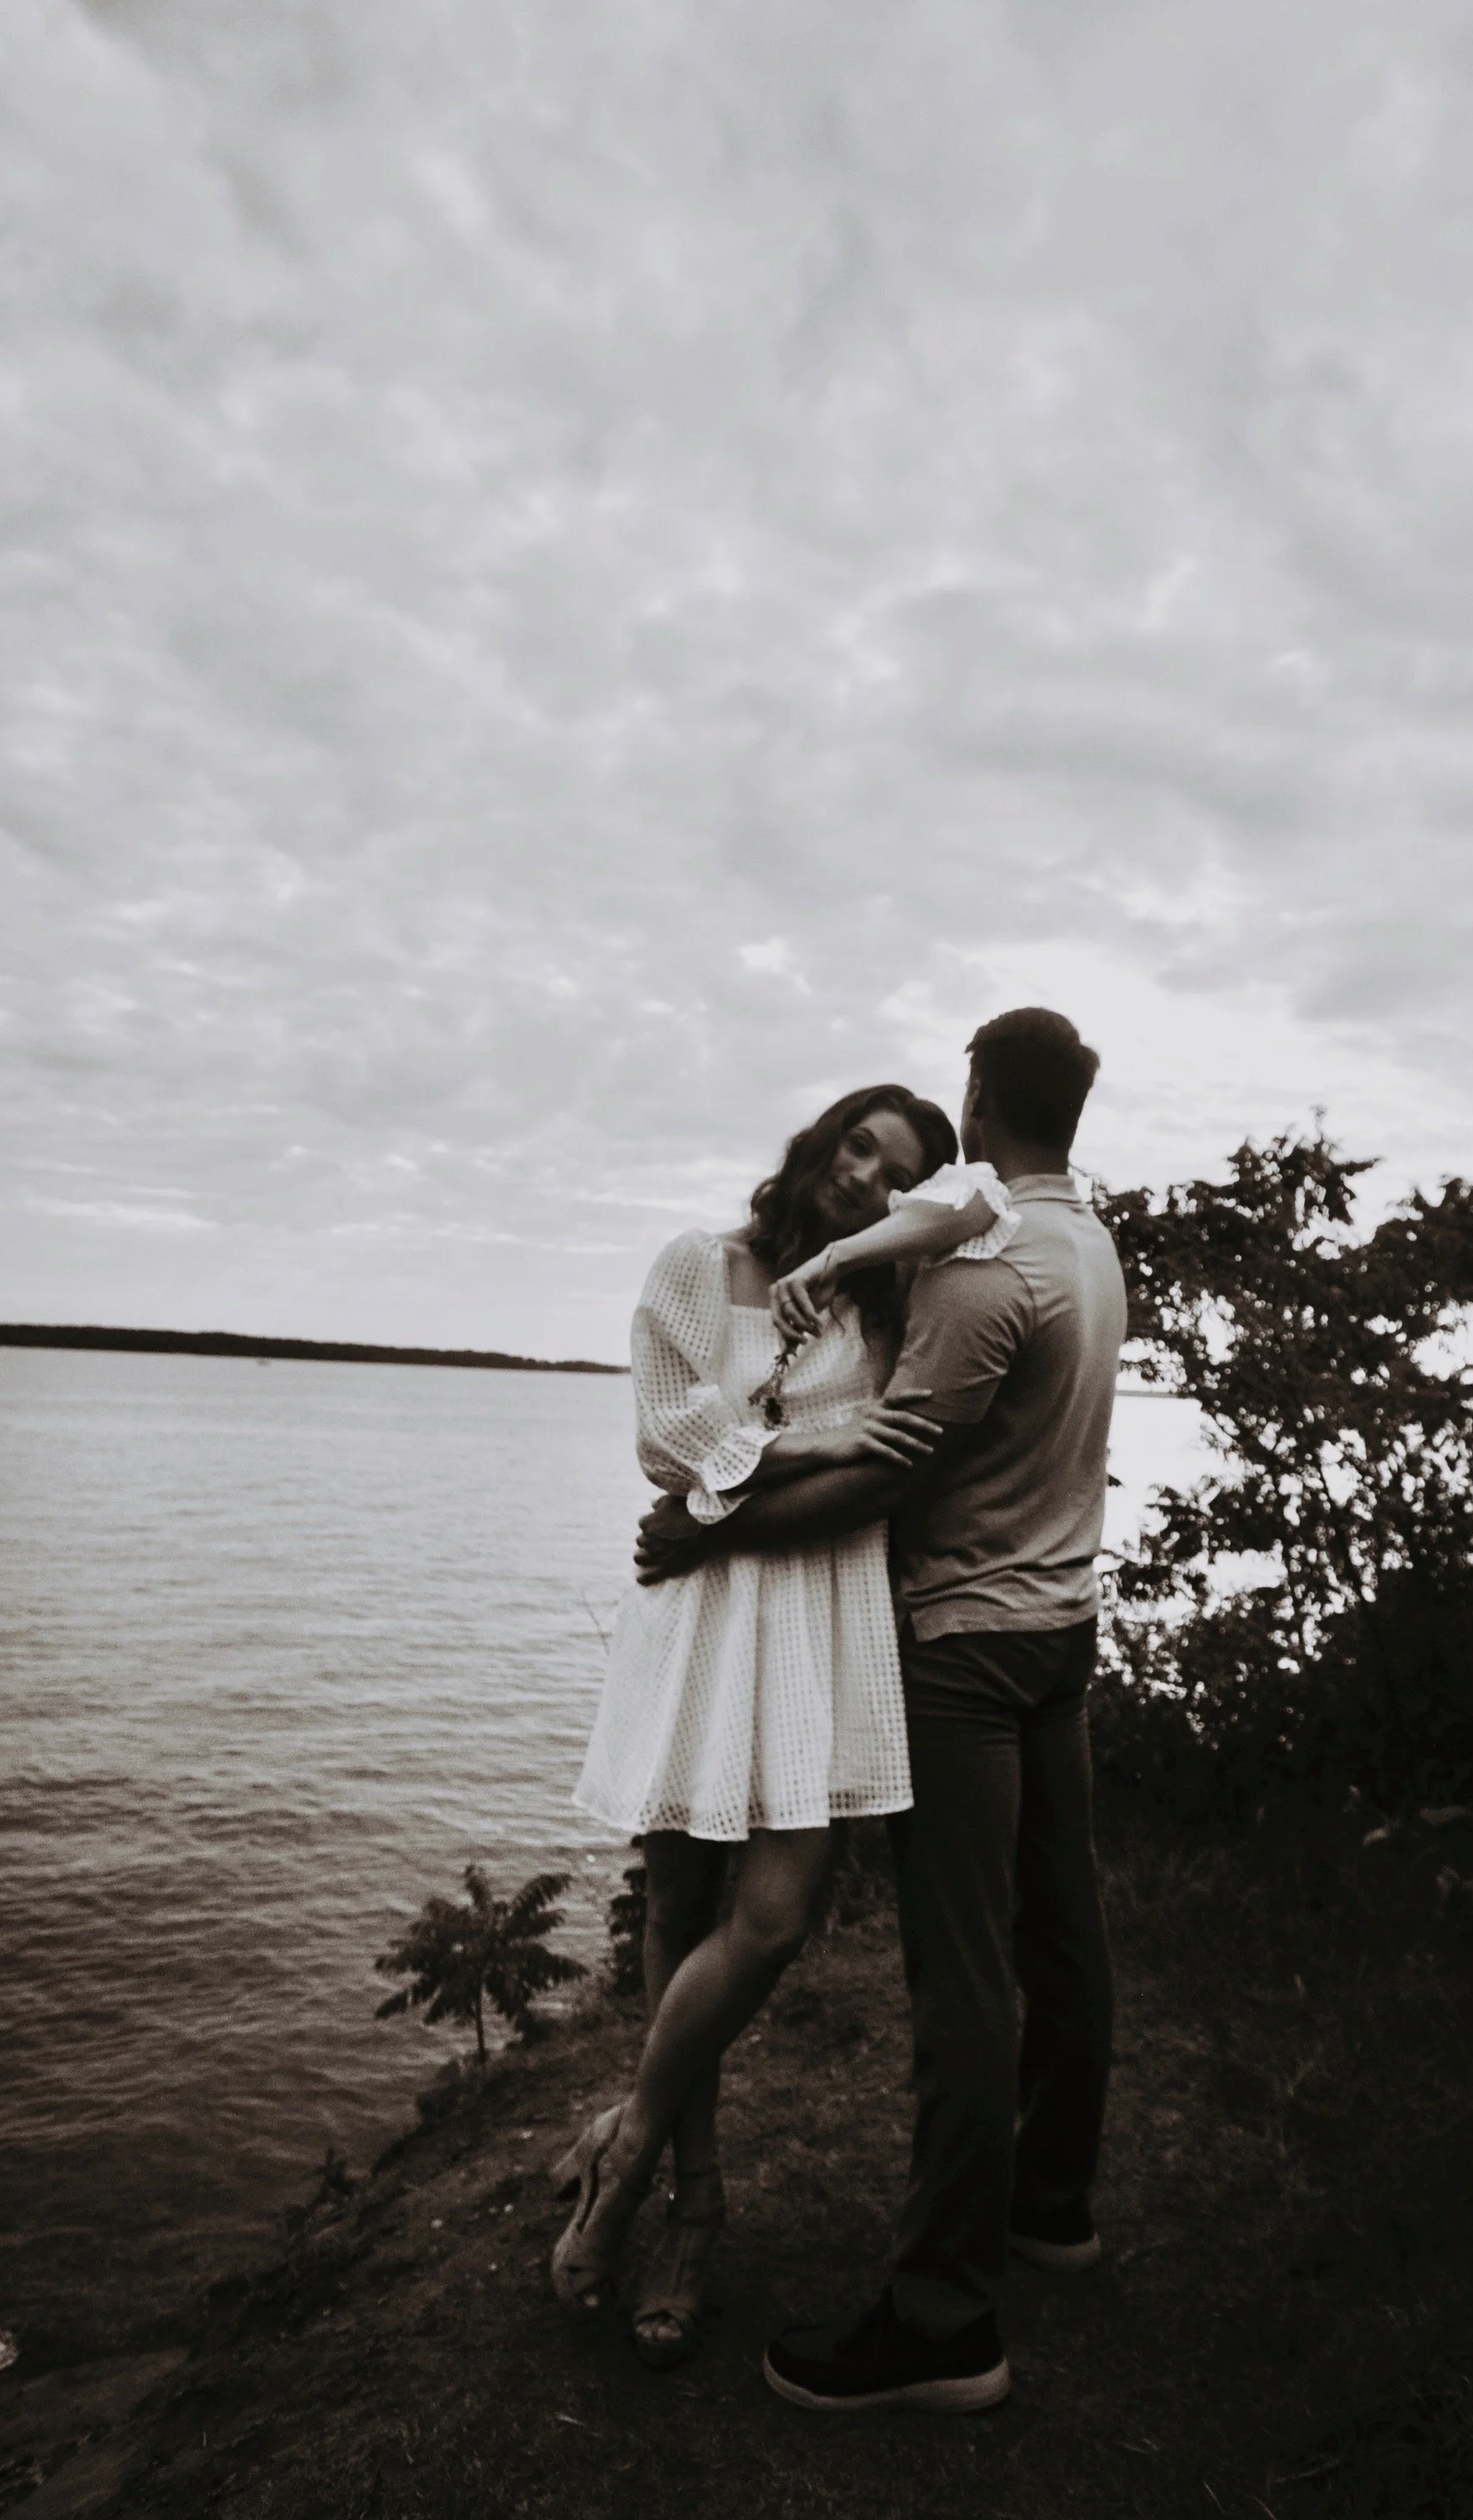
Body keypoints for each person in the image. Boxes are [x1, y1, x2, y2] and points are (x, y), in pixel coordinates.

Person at [635, 1007, 1126, 2414]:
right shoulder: (1086, 1245)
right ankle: (1053, 2208)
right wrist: (856, 1252)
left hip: (968, 1640)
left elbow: (890, 1473)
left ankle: (944, 2322)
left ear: (978, 1098)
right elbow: (963, 1196)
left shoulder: (987, 1270)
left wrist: (708, 1532)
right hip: (1061, 1625)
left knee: (964, 1978)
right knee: (1063, 1931)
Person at [554, 1081, 979, 2365]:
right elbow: (663, 1441)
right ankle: (694, 2209)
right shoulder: (699, 1266)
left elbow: (889, 1463)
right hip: (702, 1615)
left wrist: (774, 1451)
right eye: (857, 1145)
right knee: (679, 1913)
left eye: (894, 1173)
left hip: (821, 1623)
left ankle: (619, 2158)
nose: (863, 1176)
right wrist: (809, 1444)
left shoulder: (892, 1301)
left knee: (776, 1921)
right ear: (817, 1141)